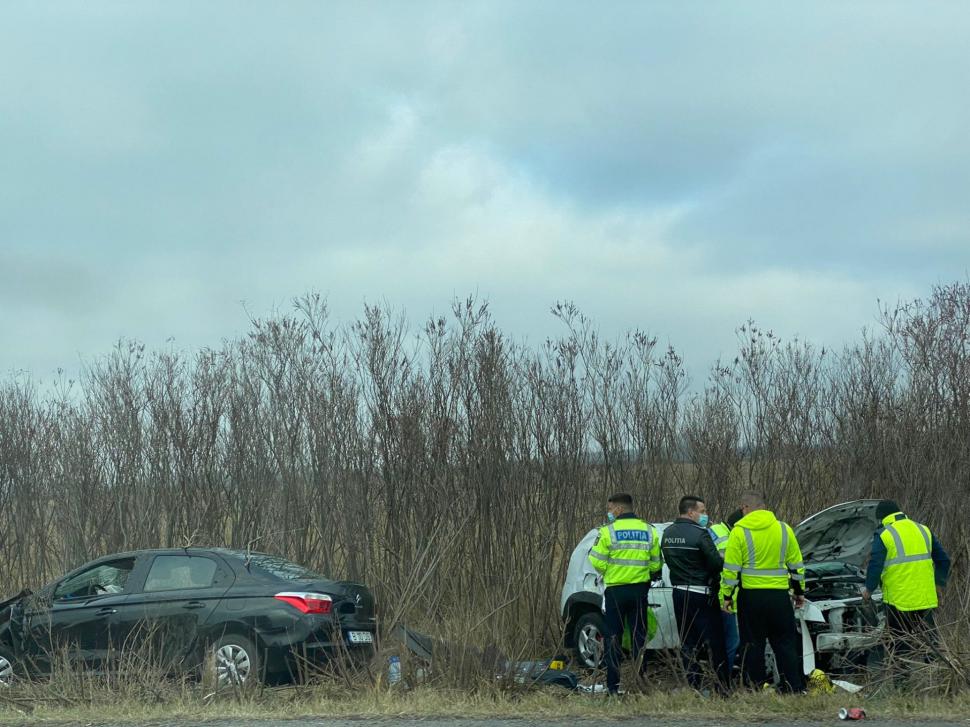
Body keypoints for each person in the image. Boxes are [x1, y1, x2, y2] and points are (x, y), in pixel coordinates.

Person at [719, 491, 806, 693]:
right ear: (764, 507)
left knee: (753, 645)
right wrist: (799, 592)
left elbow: (730, 571)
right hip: (779, 597)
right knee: (785, 644)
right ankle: (793, 688)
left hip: (751, 598)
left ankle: (756, 688)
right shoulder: (784, 529)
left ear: (745, 508)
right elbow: (797, 565)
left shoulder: (739, 532)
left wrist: (727, 596)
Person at [861, 499, 951, 670]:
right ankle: (939, 681)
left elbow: (875, 565)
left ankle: (903, 688)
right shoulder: (923, 530)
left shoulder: (884, 534)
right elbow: (944, 561)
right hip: (926, 600)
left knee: (900, 646)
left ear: (881, 519)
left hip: (899, 602)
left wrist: (869, 590)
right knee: (931, 646)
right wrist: (938, 585)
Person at [588, 492, 662, 695]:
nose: (609, 512)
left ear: (619, 509)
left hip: (615, 591)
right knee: (639, 637)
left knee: (613, 638)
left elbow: (596, 561)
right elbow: (656, 562)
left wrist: (611, 570)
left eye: (610, 509)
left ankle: (613, 686)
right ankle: (639, 683)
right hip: (639, 590)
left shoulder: (607, 532)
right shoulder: (649, 530)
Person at [661, 495, 730, 693]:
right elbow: (716, 564)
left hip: (679, 593)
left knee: (688, 642)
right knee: (715, 643)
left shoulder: (667, 533)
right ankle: (721, 688)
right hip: (701, 593)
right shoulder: (700, 534)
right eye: (703, 511)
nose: (705, 515)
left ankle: (693, 685)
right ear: (691, 512)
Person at [709, 508, 743, 672]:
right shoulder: (731, 538)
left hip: (715, 594)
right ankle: (725, 678)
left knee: (721, 641)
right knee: (731, 641)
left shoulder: (714, 530)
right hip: (726, 598)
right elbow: (731, 570)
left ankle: (722, 677)